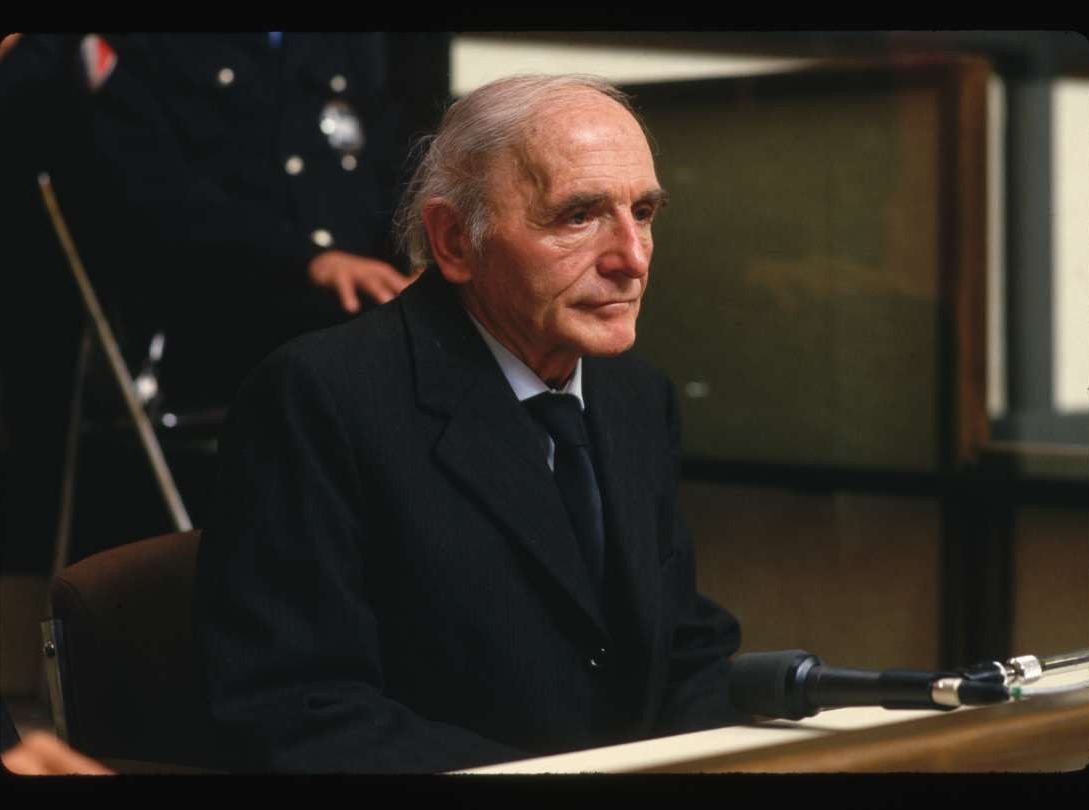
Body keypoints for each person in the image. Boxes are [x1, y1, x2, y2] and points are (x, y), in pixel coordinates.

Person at [195, 74, 747, 774]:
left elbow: (683, 648)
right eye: (578, 216)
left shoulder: (637, 396)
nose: (632, 258)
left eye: (642, 212)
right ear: (454, 241)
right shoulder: (319, 399)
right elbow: (298, 710)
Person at [80, 33, 448, 407]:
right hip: (226, 328)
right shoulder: (149, 45)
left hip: (365, 323)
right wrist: (307, 261)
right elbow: (155, 194)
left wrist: (422, 258)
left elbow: (394, 162)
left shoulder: (350, 41)